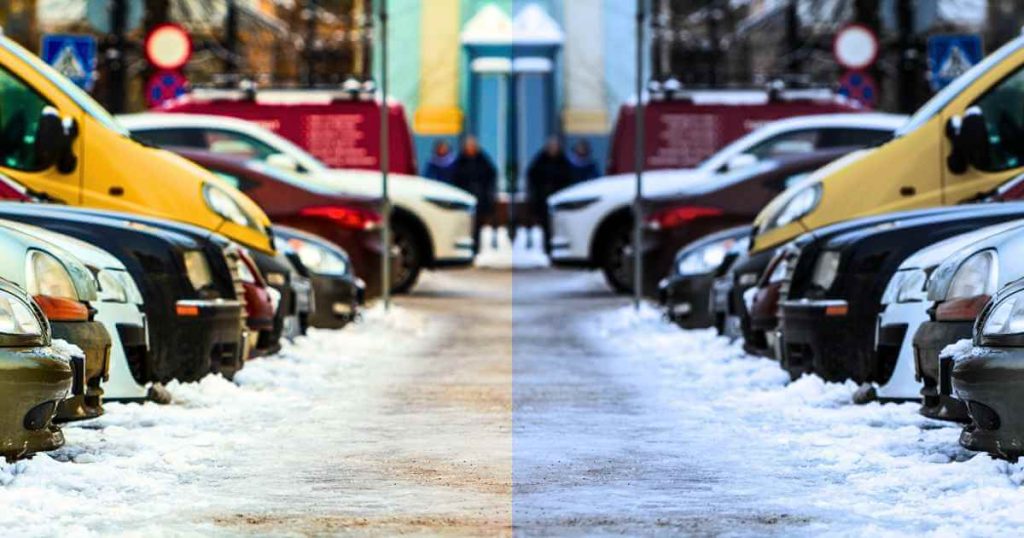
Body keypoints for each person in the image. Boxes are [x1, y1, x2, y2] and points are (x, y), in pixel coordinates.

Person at [451, 135, 498, 249]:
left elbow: (492, 174)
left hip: (479, 197)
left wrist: (486, 190)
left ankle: (476, 247)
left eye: (472, 146)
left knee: (477, 224)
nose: (470, 148)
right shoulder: (460, 161)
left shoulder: (482, 159)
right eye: (468, 146)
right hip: (464, 197)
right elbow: (455, 177)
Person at [526, 136, 573, 248]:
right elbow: (532, 175)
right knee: (546, 225)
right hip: (544, 199)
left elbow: (568, 179)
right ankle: (547, 247)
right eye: (551, 146)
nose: (553, 149)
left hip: (560, 199)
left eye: (555, 147)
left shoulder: (563, 162)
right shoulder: (540, 160)